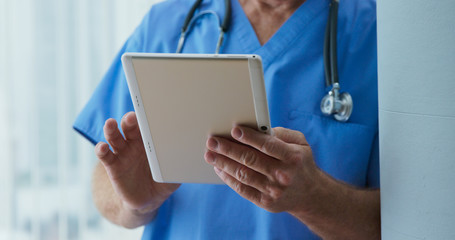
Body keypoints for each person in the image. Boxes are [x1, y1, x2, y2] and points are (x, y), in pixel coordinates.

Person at [73, 0, 380, 239]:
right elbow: (106, 179)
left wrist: (314, 198)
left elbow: (406, 221)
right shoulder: (167, 24)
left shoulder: (379, 35)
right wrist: (134, 203)